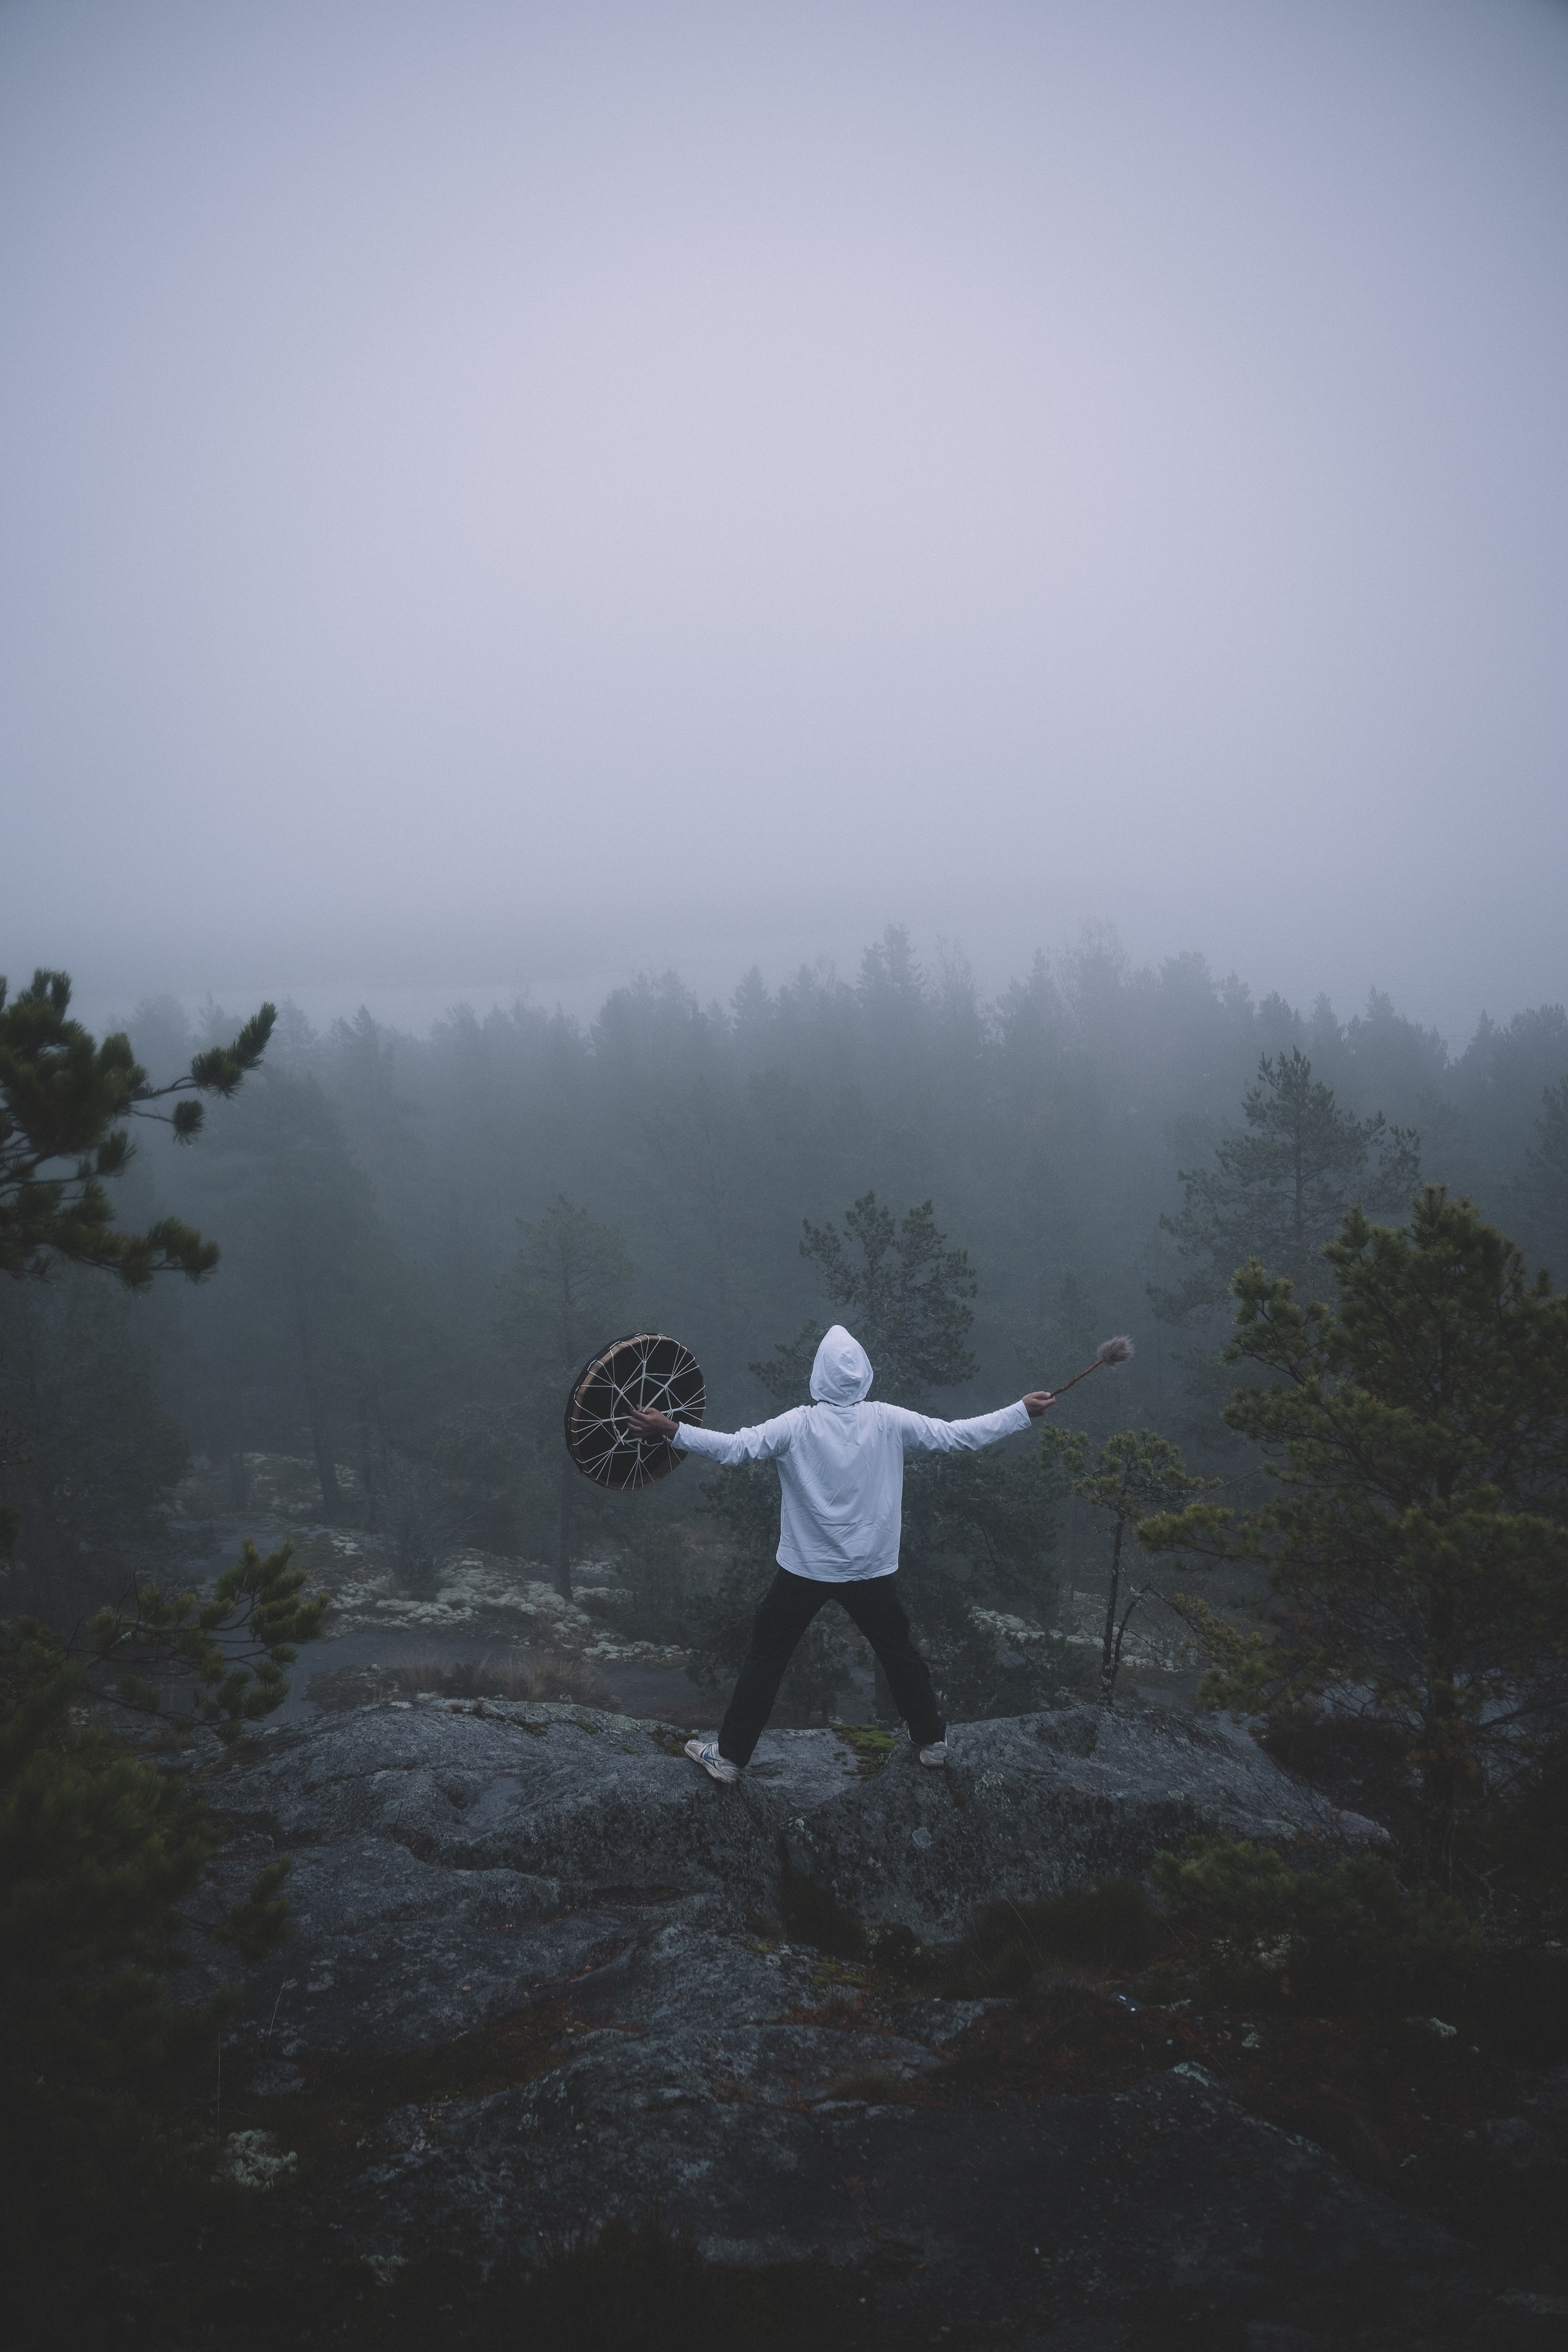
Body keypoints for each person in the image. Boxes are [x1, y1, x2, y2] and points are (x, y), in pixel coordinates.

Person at [626, 1324, 1054, 1783]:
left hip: (804, 1571)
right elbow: (956, 1435)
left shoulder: (797, 1424)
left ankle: (729, 1758)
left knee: (767, 1658)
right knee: (898, 1652)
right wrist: (1019, 1413)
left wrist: (672, 1429)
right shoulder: (887, 1419)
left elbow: (735, 1449)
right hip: (870, 1569)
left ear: (819, 1377)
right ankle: (931, 1742)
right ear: (863, 1375)